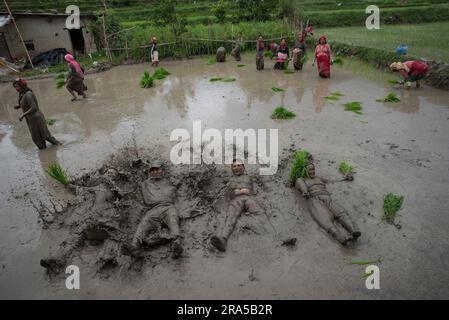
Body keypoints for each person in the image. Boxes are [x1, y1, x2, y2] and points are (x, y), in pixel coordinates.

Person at [294, 155, 361, 246]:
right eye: (310, 170)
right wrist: (305, 192)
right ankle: (341, 238)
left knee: (341, 212)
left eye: (313, 169)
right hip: (314, 199)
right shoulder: (301, 179)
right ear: (305, 170)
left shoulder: (319, 178)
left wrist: (344, 179)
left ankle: (353, 231)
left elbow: (331, 181)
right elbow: (302, 187)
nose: (312, 171)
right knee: (325, 218)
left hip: (327, 197)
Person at [128, 161, 183, 259]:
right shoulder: (145, 183)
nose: (155, 172)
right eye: (152, 170)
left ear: (162, 170)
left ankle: (176, 243)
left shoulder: (170, 180)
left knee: (173, 219)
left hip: (168, 207)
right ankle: (134, 246)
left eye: (157, 169)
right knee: (144, 222)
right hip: (153, 210)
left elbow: (182, 179)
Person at [210, 160, 263, 252]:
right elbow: (229, 193)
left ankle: (279, 238)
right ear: (232, 169)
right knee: (231, 217)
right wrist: (240, 191)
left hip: (249, 199)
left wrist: (245, 191)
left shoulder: (249, 178)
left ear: (243, 167)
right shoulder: (230, 179)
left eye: (239, 165)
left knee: (260, 213)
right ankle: (223, 240)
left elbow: (255, 190)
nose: (236, 168)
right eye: (234, 166)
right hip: (236, 200)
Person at [13, 78, 61, 150]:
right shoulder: (22, 94)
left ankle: (59, 146)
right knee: (37, 139)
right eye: (15, 87)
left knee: (46, 136)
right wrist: (19, 106)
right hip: (30, 119)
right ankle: (46, 155)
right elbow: (26, 103)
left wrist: (23, 115)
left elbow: (34, 107)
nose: (16, 88)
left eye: (17, 86)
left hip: (36, 118)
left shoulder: (28, 94)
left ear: (22, 86)